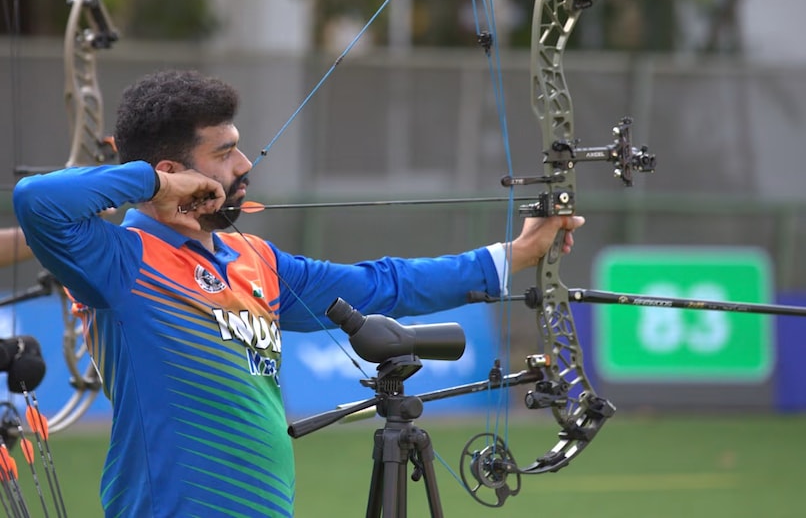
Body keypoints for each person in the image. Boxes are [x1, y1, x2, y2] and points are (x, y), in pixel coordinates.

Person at [13, 69, 584, 518]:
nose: (244, 166)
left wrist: (513, 257)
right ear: (173, 171)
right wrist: (153, 185)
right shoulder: (119, 261)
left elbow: (383, 283)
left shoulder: (253, 259)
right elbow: (37, 201)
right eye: (223, 152)